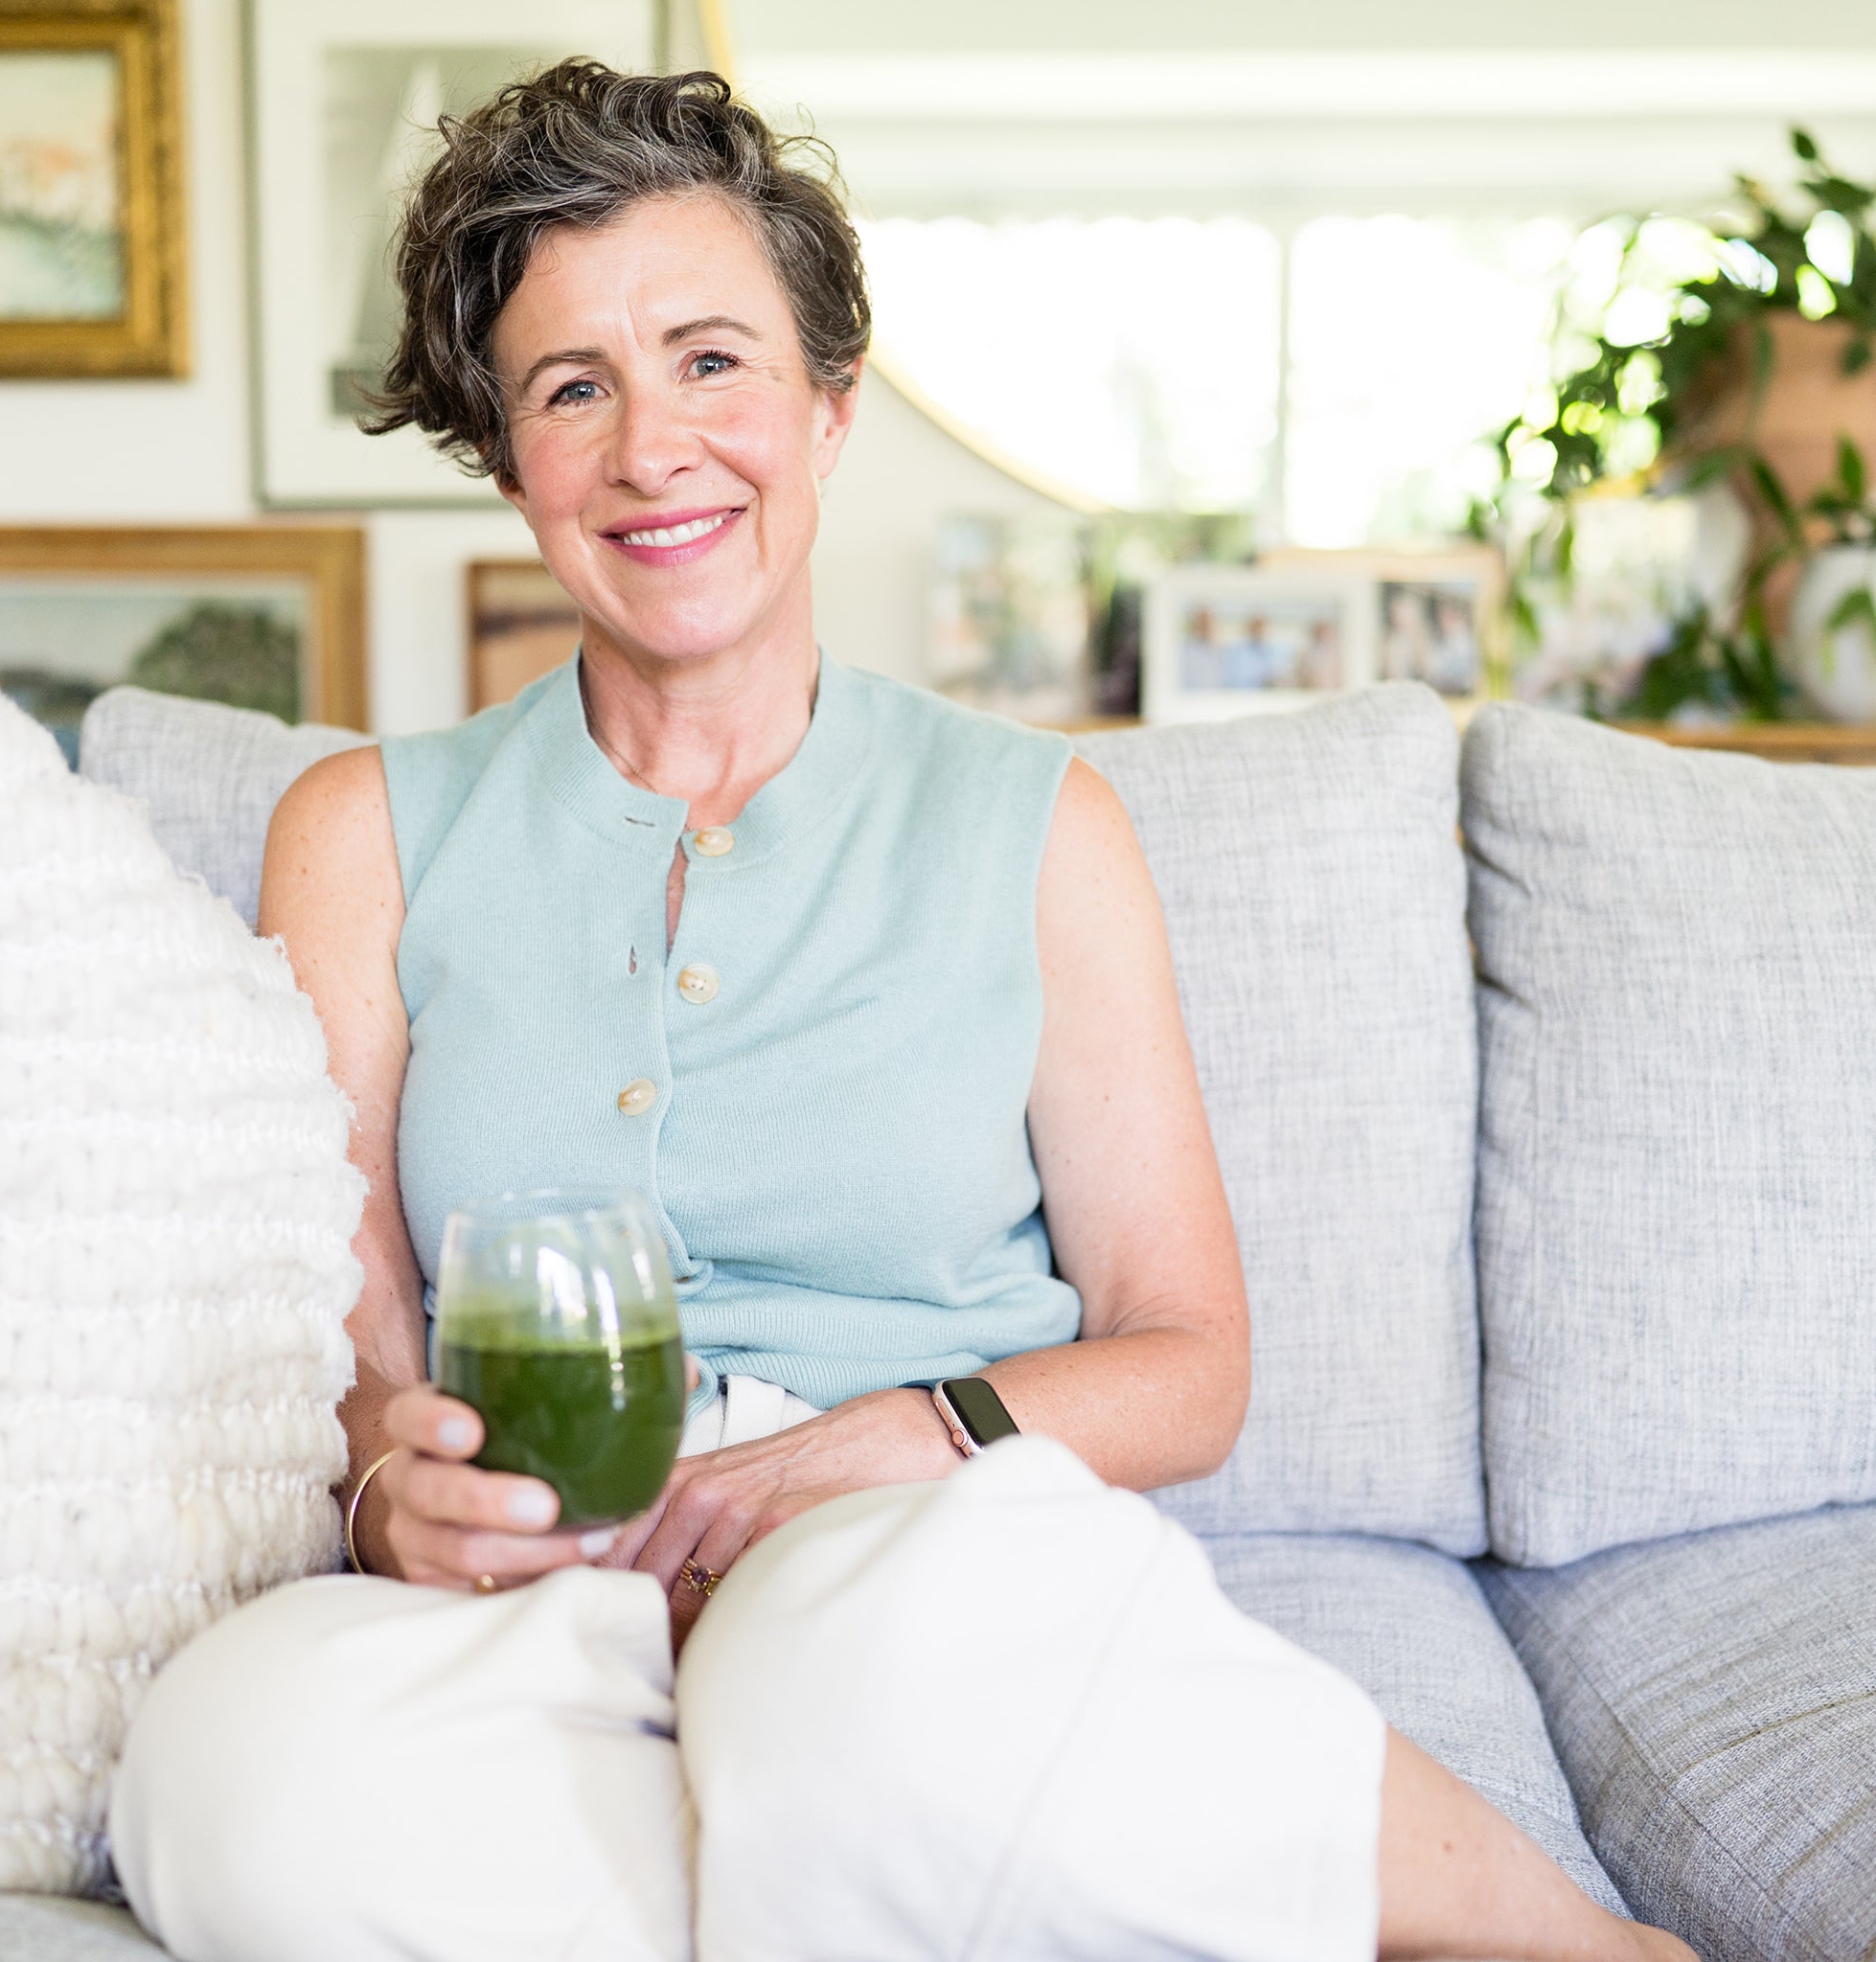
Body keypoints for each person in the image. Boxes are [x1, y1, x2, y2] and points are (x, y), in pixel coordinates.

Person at [112, 62, 1693, 1962]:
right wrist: (391, 1492)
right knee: (229, 1767)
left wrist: (881, 1440)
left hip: (913, 1539)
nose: (648, 446)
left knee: (858, 1713)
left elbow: (1186, 1358)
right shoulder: (361, 831)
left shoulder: (1038, 826)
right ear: (508, 456)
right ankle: (893, 1858)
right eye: (570, 386)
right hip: (543, 1569)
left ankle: (1568, 1943)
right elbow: (358, 1345)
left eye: (710, 358)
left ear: (825, 408)